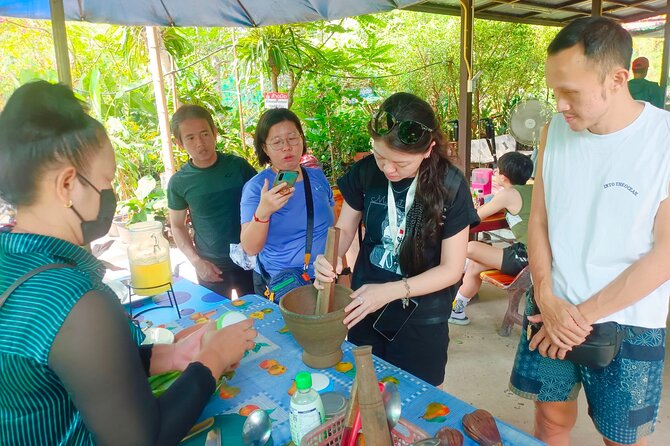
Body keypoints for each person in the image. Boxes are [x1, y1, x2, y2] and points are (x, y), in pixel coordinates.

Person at [0, 81, 257, 445]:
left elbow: (58, 375)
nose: (112, 195)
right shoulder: (74, 301)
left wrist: (169, 355)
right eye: (105, 180)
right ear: (67, 185)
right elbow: (142, 438)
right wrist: (213, 358)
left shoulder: (10, 259)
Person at [509, 17, 670, 446]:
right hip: (551, 303)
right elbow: (538, 221)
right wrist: (545, 294)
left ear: (618, 79)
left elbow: (665, 253)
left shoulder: (663, 140)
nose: (559, 104)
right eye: (554, 90)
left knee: (619, 439)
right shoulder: (553, 134)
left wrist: (578, 317)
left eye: (571, 92)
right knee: (550, 422)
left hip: (628, 319)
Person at [314, 92, 479, 386]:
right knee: (365, 391)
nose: (388, 170)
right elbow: (345, 229)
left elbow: (452, 270)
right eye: (380, 157)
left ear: (428, 150)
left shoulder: (451, 185)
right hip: (365, 306)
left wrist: (390, 291)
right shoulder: (365, 173)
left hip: (421, 317)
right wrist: (327, 259)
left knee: (418, 402)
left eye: (400, 163)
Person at [240, 108, 334, 295]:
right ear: (265, 148)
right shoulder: (258, 187)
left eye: (292, 138)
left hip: (323, 278)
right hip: (282, 284)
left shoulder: (317, 177)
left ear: (301, 140)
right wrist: (263, 213)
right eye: (277, 142)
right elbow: (250, 248)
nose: (287, 147)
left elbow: (333, 231)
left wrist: (343, 272)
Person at [167, 105, 257, 298]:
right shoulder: (179, 182)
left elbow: (262, 204)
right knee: (217, 322)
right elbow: (177, 225)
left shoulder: (238, 167)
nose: (200, 143)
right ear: (179, 143)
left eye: (204, 134)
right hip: (212, 270)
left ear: (214, 133)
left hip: (250, 262)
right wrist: (196, 262)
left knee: (258, 319)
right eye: (190, 138)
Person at [449, 151, 534, 325]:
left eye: (496, 171)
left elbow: (475, 217)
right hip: (530, 252)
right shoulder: (532, 189)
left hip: (526, 257)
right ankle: (456, 310)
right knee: (475, 266)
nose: (494, 173)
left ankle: (452, 264)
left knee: (472, 247)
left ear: (503, 177)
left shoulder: (507, 195)